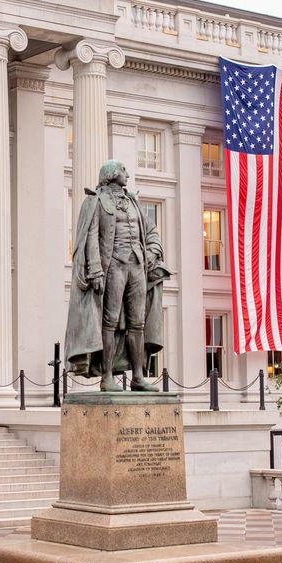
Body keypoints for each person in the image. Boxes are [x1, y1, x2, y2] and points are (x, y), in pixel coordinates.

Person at [64, 160, 170, 392]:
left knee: (137, 323)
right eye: (123, 170)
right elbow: (91, 236)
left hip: (137, 267)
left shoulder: (133, 203)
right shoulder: (95, 201)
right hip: (113, 267)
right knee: (109, 322)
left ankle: (138, 377)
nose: (127, 174)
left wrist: (152, 252)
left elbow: (151, 232)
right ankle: (107, 376)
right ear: (112, 174)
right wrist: (95, 269)